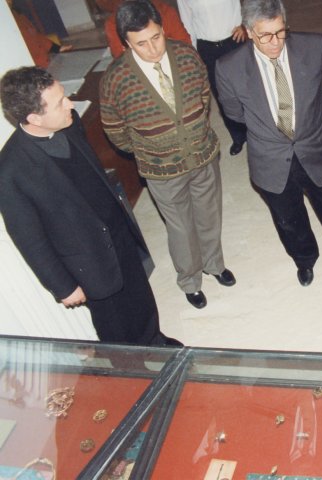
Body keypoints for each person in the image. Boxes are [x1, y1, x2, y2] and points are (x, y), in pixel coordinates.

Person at [0, 66, 180, 346]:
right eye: (60, 102)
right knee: (115, 326)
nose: (70, 104)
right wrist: (63, 286)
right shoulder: (10, 171)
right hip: (87, 262)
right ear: (34, 117)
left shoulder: (70, 124)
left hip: (118, 232)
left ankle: (154, 340)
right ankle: (131, 372)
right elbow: (29, 238)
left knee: (140, 296)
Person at [215, 0, 322, 286]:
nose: (275, 43)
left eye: (280, 32)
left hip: (314, 147)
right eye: (265, 36)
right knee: (289, 218)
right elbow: (234, 113)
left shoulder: (315, 46)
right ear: (248, 32)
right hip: (270, 158)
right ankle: (305, 259)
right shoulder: (228, 68)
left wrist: (306, 122)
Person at [100, 0, 235, 309]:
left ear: (162, 29)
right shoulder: (115, 79)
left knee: (209, 215)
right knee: (181, 228)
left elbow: (203, 97)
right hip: (161, 169)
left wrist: (194, 131)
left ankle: (215, 264)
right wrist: (151, 148)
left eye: (157, 37)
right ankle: (190, 279)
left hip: (202, 155)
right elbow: (115, 129)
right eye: (142, 44)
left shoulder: (187, 55)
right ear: (126, 43)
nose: (153, 49)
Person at [177, 0, 248, 156]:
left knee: (246, 88)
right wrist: (194, 53)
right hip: (207, 48)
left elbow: (245, 5)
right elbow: (187, 23)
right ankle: (238, 136)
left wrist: (244, 25)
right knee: (222, 95)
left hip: (234, 40)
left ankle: (258, 131)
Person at [99, 0, 191, 59]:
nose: (152, 50)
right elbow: (121, 59)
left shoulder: (166, 11)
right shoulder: (113, 23)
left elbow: (185, 46)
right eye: (141, 43)